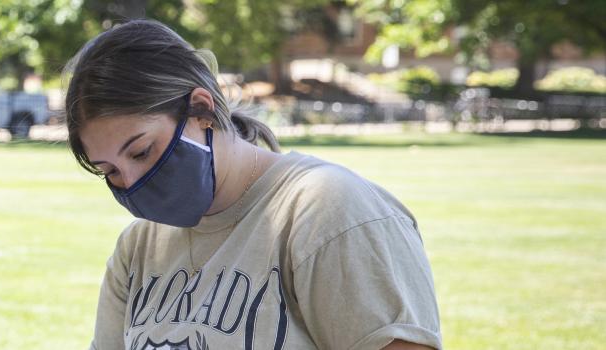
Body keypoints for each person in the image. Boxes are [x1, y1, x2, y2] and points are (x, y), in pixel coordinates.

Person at [64, 20, 442, 349]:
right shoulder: (139, 246)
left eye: (142, 151)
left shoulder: (326, 210)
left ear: (202, 109)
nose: (131, 183)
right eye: (109, 171)